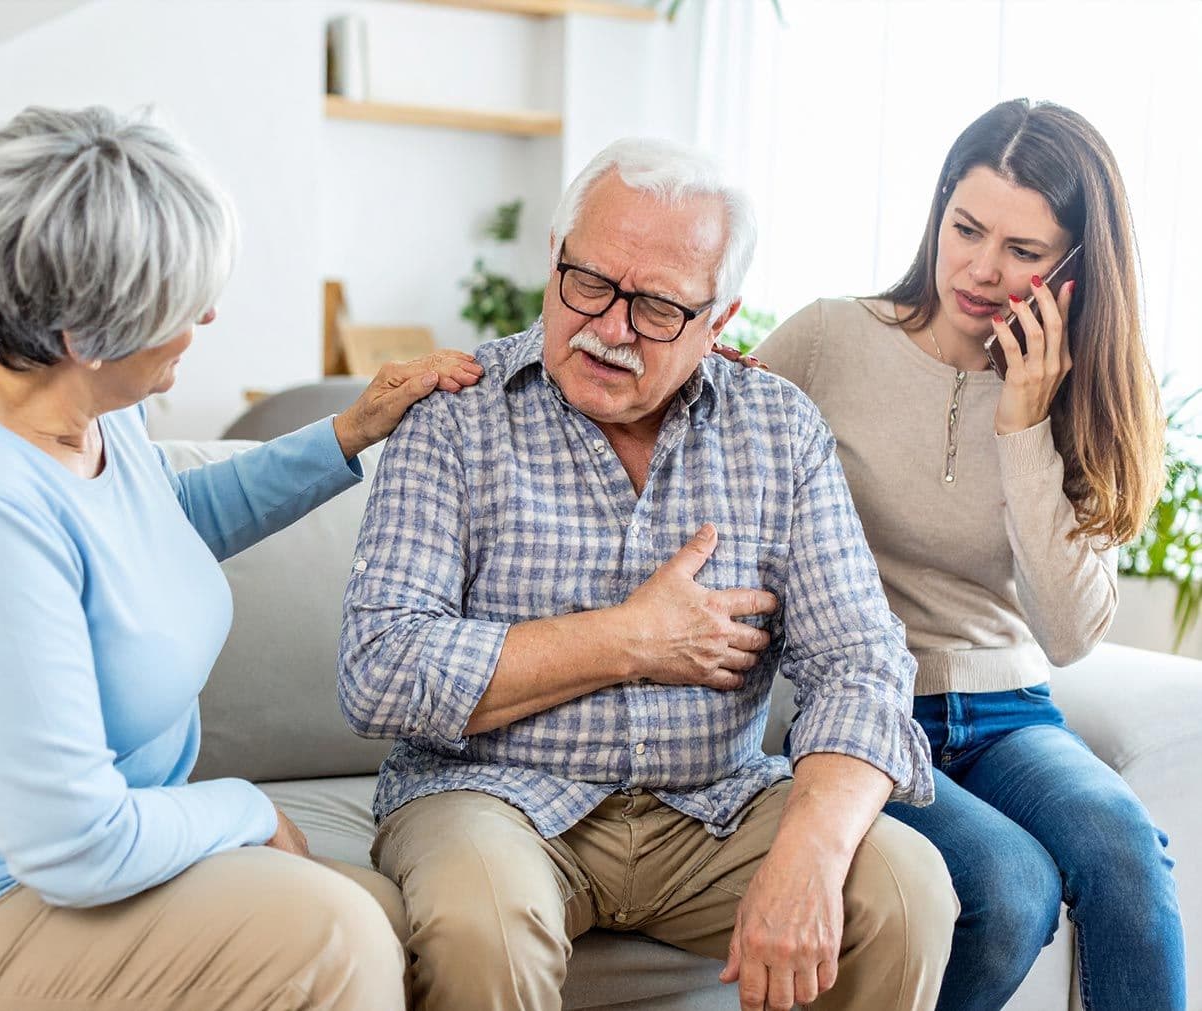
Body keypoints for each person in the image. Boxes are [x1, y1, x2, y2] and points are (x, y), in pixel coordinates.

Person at [338, 136, 958, 1011]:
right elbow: (380, 671)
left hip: (715, 807)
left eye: (659, 307)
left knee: (904, 891)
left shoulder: (778, 429)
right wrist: (630, 639)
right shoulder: (454, 417)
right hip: (493, 798)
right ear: (554, 255)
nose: (610, 327)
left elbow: (862, 663)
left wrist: (812, 854)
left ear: (720, 319)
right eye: (588, 281)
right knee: (483, 921)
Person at [0, 105, 483, 1011]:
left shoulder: (64, 400)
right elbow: (75, 845)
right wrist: (245, 808)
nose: (208, 316)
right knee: (337, 939)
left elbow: (157, 524)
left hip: (105, 846)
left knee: (394, 922)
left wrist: (349, 432)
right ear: (83, 338)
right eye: (181, 306)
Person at [747, 98, 1185, 1011]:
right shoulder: (829, 340)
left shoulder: (1084, 394)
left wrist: (1025, 424)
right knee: (1012, 887)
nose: (982, 269)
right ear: (938, 210)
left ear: (1075, 266)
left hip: (1008, 713)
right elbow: (698, 453)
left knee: (1124, 849)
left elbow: (1068, 633)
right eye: (966, 228)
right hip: (862, 713)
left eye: (1024, 251)